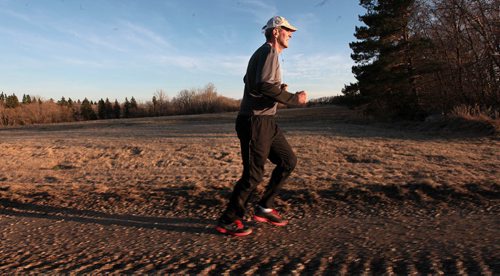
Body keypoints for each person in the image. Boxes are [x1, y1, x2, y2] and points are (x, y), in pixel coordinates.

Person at [216, 16, 307, 236]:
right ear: (276, 32)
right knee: (253, 175)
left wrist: (278, 89)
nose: (291, 34)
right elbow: (263, 85)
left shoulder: (263, 53)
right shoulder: (269, 52)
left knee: (288, 161)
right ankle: (228, 220)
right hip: (254, 122)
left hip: (266, 121)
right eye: (287, 31)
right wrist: (294, 98)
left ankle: (264, 207)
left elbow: (251, 81)